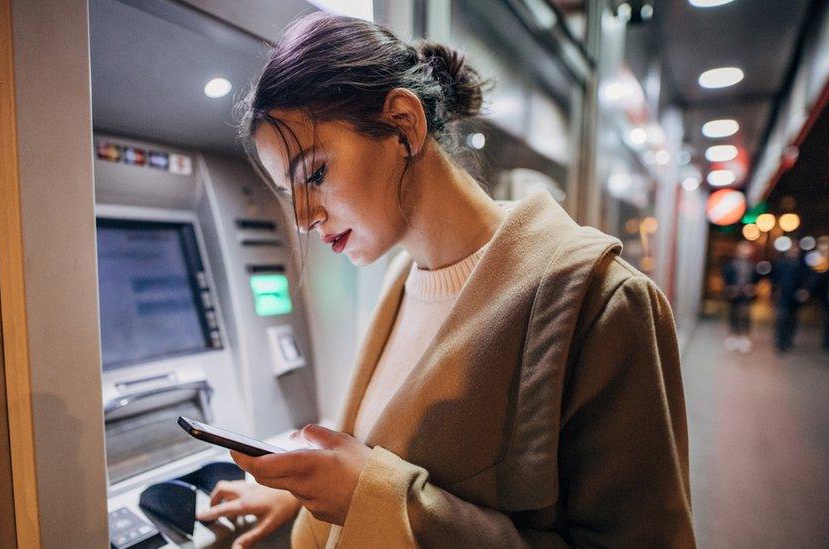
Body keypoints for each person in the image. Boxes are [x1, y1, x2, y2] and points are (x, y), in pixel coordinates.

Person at [196, 13, 695, 548]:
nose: (302, 217)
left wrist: (373, 499)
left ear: (404, 125)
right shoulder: (402, 277)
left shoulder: (604, 302)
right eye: (286, 191)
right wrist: (307, 496)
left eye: (315, 174)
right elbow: (389, 449)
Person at [771, 243, 810, 351]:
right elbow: (775, 279)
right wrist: (775, 291)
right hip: (783, 295)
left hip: (796, 297)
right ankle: (780, 340)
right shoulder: (781, 264)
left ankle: (788, 340)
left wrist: (804, 290)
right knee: (782, 318)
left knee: (793, 320)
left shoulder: (803, 266)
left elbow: (807, 279)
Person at [721, 241, 759, 353]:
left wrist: (752, 288)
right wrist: (730, 287)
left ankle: (744, 338)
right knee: (733, 314)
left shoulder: (752, 265)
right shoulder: (731, 263)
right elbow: (726, 276)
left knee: (745, 315)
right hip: (734, 294)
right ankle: (733, 336)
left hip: (746, 295)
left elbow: (756, 279)